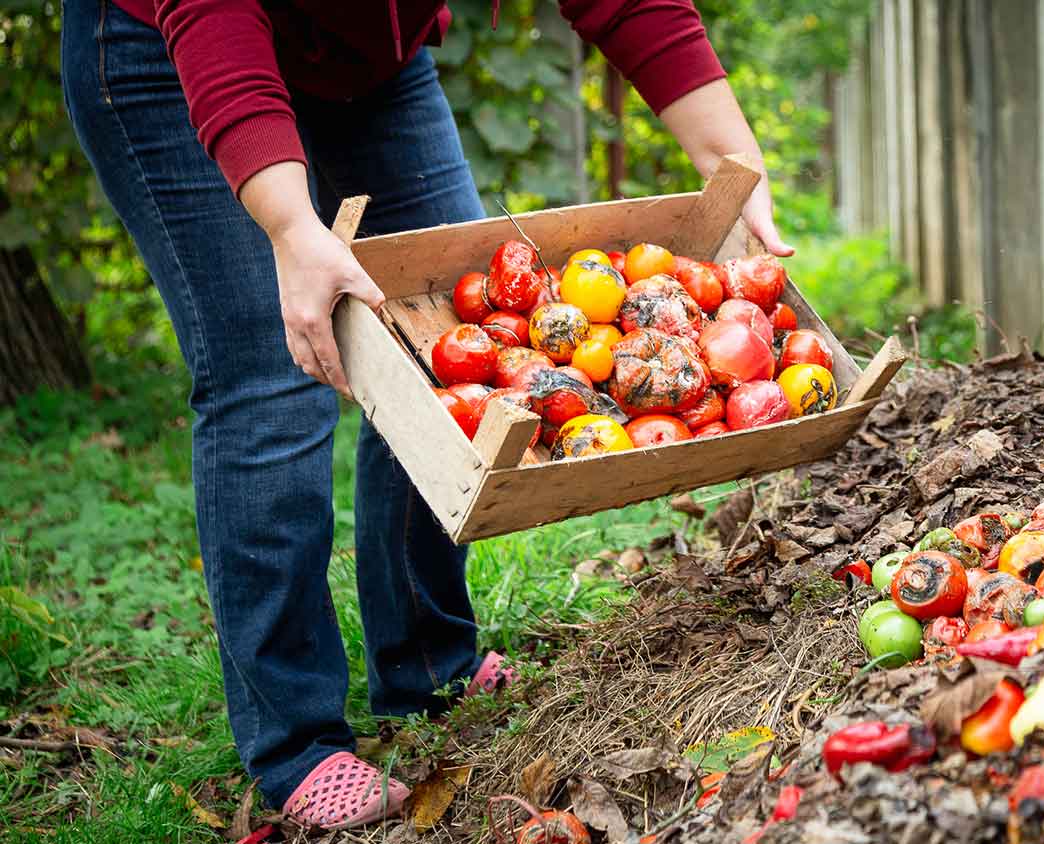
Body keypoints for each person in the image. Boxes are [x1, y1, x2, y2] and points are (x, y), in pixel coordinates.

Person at [61, 0, 791, 830]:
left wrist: (738, 165)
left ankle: (426, 665)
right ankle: (296, 741)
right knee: (269, 374)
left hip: (367, 59)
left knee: (432, 336)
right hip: (173, 46)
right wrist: (294, 229)